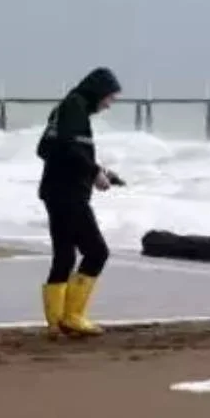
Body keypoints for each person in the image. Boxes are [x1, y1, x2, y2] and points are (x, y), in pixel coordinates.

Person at [36, 66, 122, 337]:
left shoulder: (68, 108)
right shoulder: (74, 107)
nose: (109, 105)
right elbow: (67, 148)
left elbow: (47, 148)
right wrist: (93, 172)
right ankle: (72, 317)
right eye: (109, 98)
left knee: (64, 256)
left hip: (56, 191)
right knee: (97, 252)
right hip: (67, 194)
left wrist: (98, 170)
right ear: (99, 90)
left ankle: (55, 323)